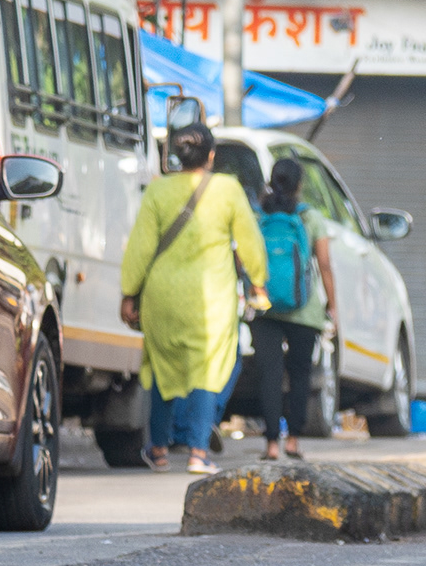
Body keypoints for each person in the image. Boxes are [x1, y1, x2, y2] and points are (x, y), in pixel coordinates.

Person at [119, 120, 270, 477]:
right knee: (207, 369)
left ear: (177, 156)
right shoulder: (228, 189)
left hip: (161, 296)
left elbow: (140, 246)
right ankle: (198, 453)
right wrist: (258, 283)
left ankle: (158, 450)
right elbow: (249, 240)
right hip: (211, 298)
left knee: (161, 367)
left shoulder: (158, 191)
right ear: (211, 155)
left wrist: (129, 292)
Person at [251, 153, 337, 457]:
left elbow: (244, 257)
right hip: (305, 310)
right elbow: (324, 264)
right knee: (300, 374)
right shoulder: (310, 218)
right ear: (299, 185)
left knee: (270, 375)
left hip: (264, 308)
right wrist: (332, 306)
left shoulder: (258, 217)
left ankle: (271, 444)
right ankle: (293, 441)